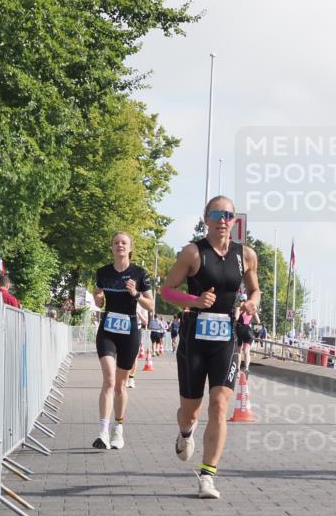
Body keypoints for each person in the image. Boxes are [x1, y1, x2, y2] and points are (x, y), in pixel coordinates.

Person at [160, 195, 261, 499]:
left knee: (219, 404)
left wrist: (250, 303)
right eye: (216, 214)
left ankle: (208, 476)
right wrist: (194, 301)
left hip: (226, 338)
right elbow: (166, 290)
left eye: (228, 215)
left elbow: (255, 290)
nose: (222, 220)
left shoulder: (246, 255)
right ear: (206, 219)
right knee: (191, 411)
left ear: (234, 221)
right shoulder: (193, 253)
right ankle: (185, 432)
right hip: (194, 339)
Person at [91, 232, 153, 450]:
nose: (120, 246)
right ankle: (102, 432)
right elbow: (97, 296)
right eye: (116, 243)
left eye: (124, 243)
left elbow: (151, 306)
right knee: (108, 380)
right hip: (107, 329)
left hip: (129, 331)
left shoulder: (139, 273)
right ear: (111, 247)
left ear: (130, 248)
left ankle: (118, 428)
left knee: (120, 385)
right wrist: (97, 299)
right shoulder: (102, 272)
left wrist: (136, 294)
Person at [235, 293, 261, 374]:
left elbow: (236, 318)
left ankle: (238, 370)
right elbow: (258, 321)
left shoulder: (239, 307)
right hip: (248, 330)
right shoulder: (252, 308)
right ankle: (246, 368)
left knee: (238, 352)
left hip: (240, 329)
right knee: (247, 351)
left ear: (240, 300)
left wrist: (238, 310)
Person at [128, 303, 149, 388]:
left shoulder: (143, 303)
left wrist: (138, 313)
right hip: (125, 328)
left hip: (137, 329)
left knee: (134, 356)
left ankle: (131, 378)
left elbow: (146, 321)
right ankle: (124, 377)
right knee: (122, 354)